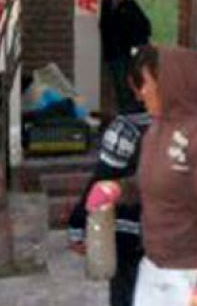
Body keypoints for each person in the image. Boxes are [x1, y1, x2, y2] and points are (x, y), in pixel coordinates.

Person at [92, 46, 197, 306]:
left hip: (191, 272)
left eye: (147, 83)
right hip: (153, 266)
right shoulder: (156, 130)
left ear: (172, 85)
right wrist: (118, 189)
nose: (142, 92)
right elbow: (149, 181)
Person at [67, 106, 151, 305]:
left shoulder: (126, 129)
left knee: (126, 290)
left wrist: (78, 225)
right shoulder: (187, 127)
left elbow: (103, 179)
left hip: (130, 230)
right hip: (170, 232)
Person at [100, 0, 152, 114]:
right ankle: (124, 113)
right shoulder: (106, 6)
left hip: (127, 53)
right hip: (112, 53)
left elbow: (145, 27)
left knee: (128, 85)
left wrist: (135, 47)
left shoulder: (130, 5)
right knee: (118, 86)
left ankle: (133, 114)